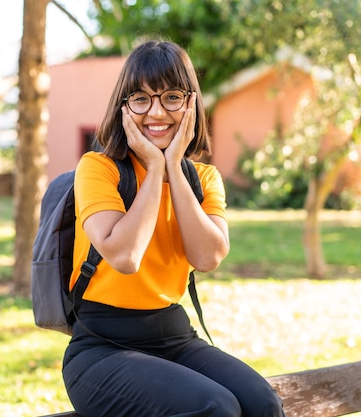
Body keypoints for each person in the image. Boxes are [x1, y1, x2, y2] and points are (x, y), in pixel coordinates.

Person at [62, 38, 286, 417]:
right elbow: (125, 255)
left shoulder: (204, 179)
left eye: (171, 97)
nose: (156, 112)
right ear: (123, 107)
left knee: (262, 404)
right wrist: (153, 169)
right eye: (141, 99)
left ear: (191, 105)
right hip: (102, 348)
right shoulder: (97, 169)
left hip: (174, 336)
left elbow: (207, 256)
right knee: (215, 408)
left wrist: (174, 170)